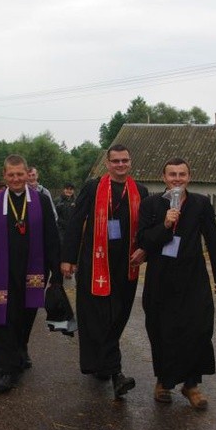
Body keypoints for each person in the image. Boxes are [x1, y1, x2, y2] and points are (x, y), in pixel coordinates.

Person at [136, 158, 216, 409]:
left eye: (182, 174)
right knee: (162, 330)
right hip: (161, 277)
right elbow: (144, 241)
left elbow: (213, 240)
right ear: (163, 177)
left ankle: (191, 385)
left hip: (193, 278)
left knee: (198, 329)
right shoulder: (150, 204)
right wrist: (166, 224)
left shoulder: (200, 203)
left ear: (189, 177)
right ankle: (164, 382)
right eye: (172, 174)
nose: (177, 179)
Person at [61, 144, 149, 399]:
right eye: (116, 161)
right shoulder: (93, 187)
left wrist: (144, 248)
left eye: (125, 160)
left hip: (125, 266)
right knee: (98, 317)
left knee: (118, 316)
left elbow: (144, 228)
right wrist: (67, 258)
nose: (120, 165)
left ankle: (102, 364)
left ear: (130, 162)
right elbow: (77, 221)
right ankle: (116, 373)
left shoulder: (139, 191)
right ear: (107, 163)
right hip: (95, 263)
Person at [0, 154, 63, 393]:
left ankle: (21, 348)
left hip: (33, 270)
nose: (15, 179)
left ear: (27, 174)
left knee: (25, 315)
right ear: (4, 176)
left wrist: (57, 271)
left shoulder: (41, 201)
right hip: (1, 272)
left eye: (20, 174)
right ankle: (5, 369)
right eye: (11, 174)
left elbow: (52, 238)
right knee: (1, 316)